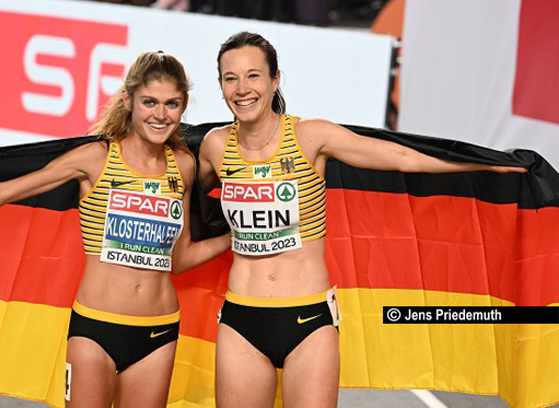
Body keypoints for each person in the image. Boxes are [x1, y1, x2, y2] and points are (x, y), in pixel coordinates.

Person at [197, 31, 527, 408]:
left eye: (253, 75)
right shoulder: (214, 147)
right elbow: (189, 198)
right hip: (242, 320)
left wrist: (485, 165)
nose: (242, 88)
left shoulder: (310, 136)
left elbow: (403, 158)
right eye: (231, 78)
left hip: (308, 322)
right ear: (220, 86)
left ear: (275, 79)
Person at [0, 51, 231, 408]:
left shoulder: (183, 166)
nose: (160, 114)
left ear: (183, 104)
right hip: (96, 329)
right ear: (128, 100)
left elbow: (179, 259)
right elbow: (1, 193)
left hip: (159, 330)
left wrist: (234, 236)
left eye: (171, 103)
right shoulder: (94, 159)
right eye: (149, 102)